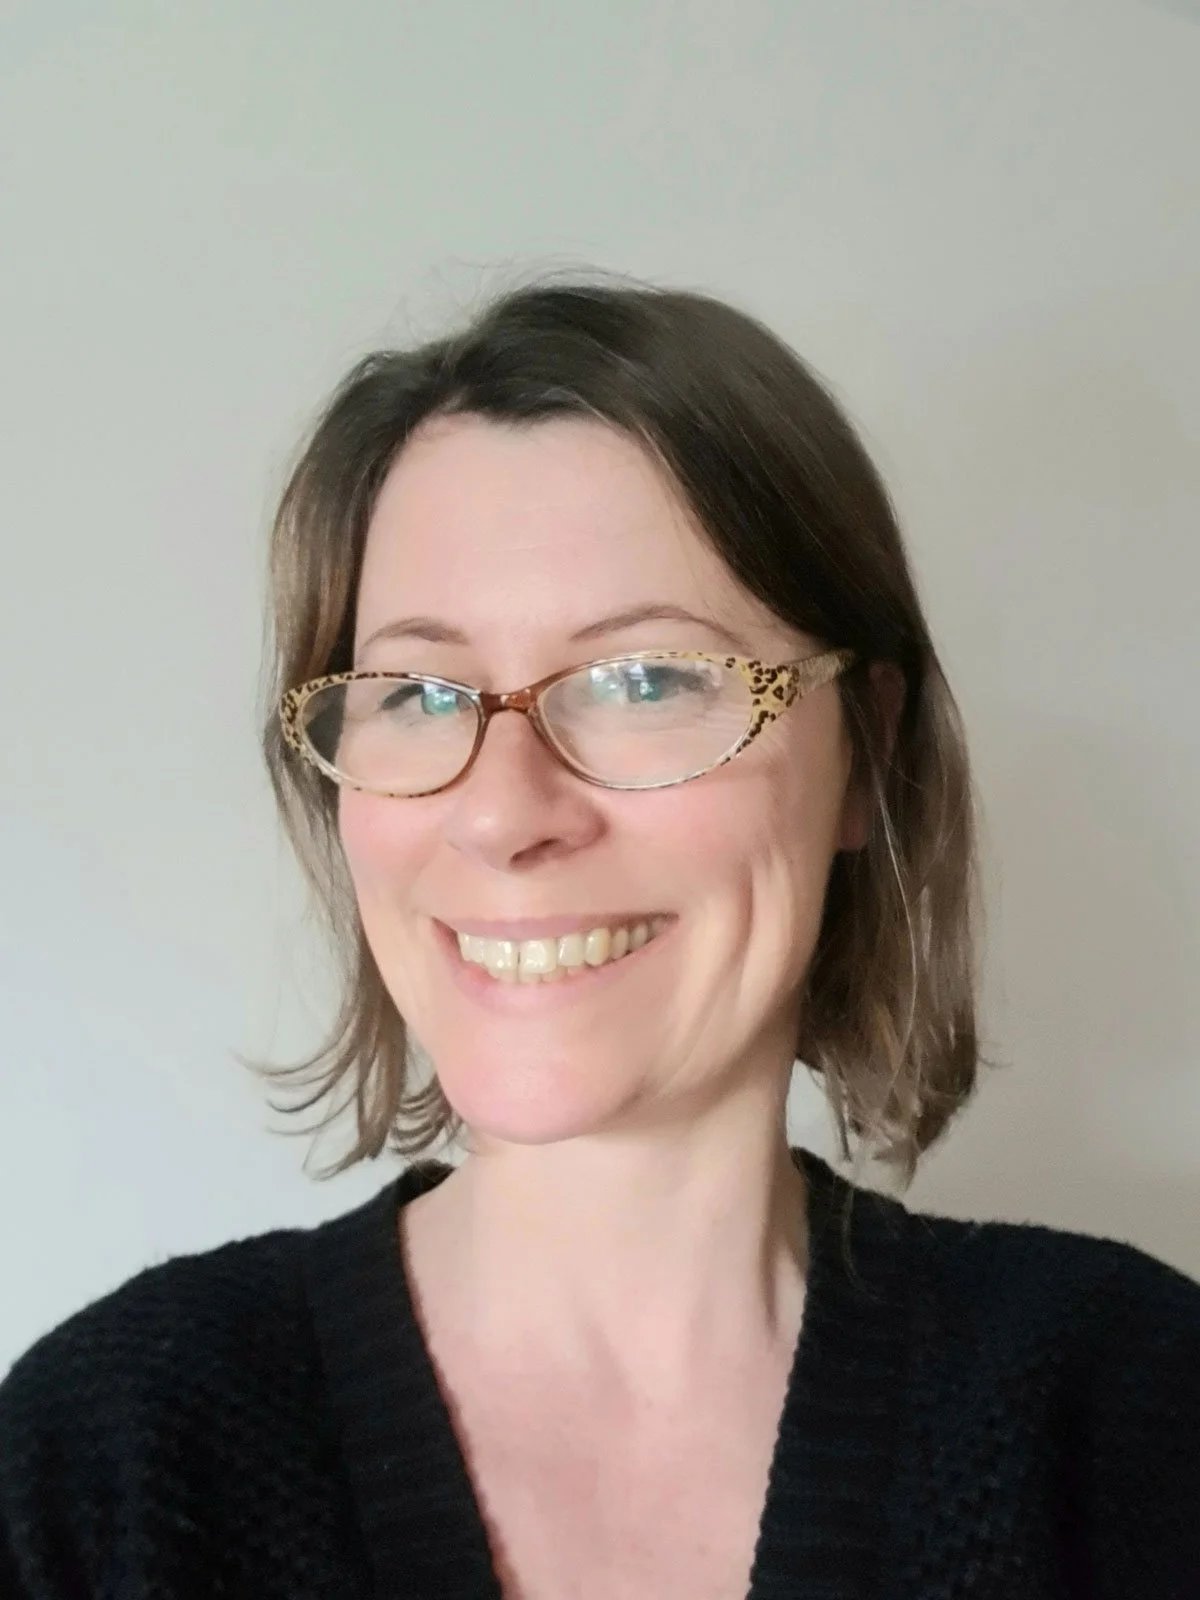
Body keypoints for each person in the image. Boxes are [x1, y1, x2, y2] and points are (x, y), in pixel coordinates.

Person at [1, 276, 1197, 1600]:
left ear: (865, 750)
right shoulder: (104, 1460)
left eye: (645, 680)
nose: (505, 813)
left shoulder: (1135, 1413)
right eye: (419, 693)